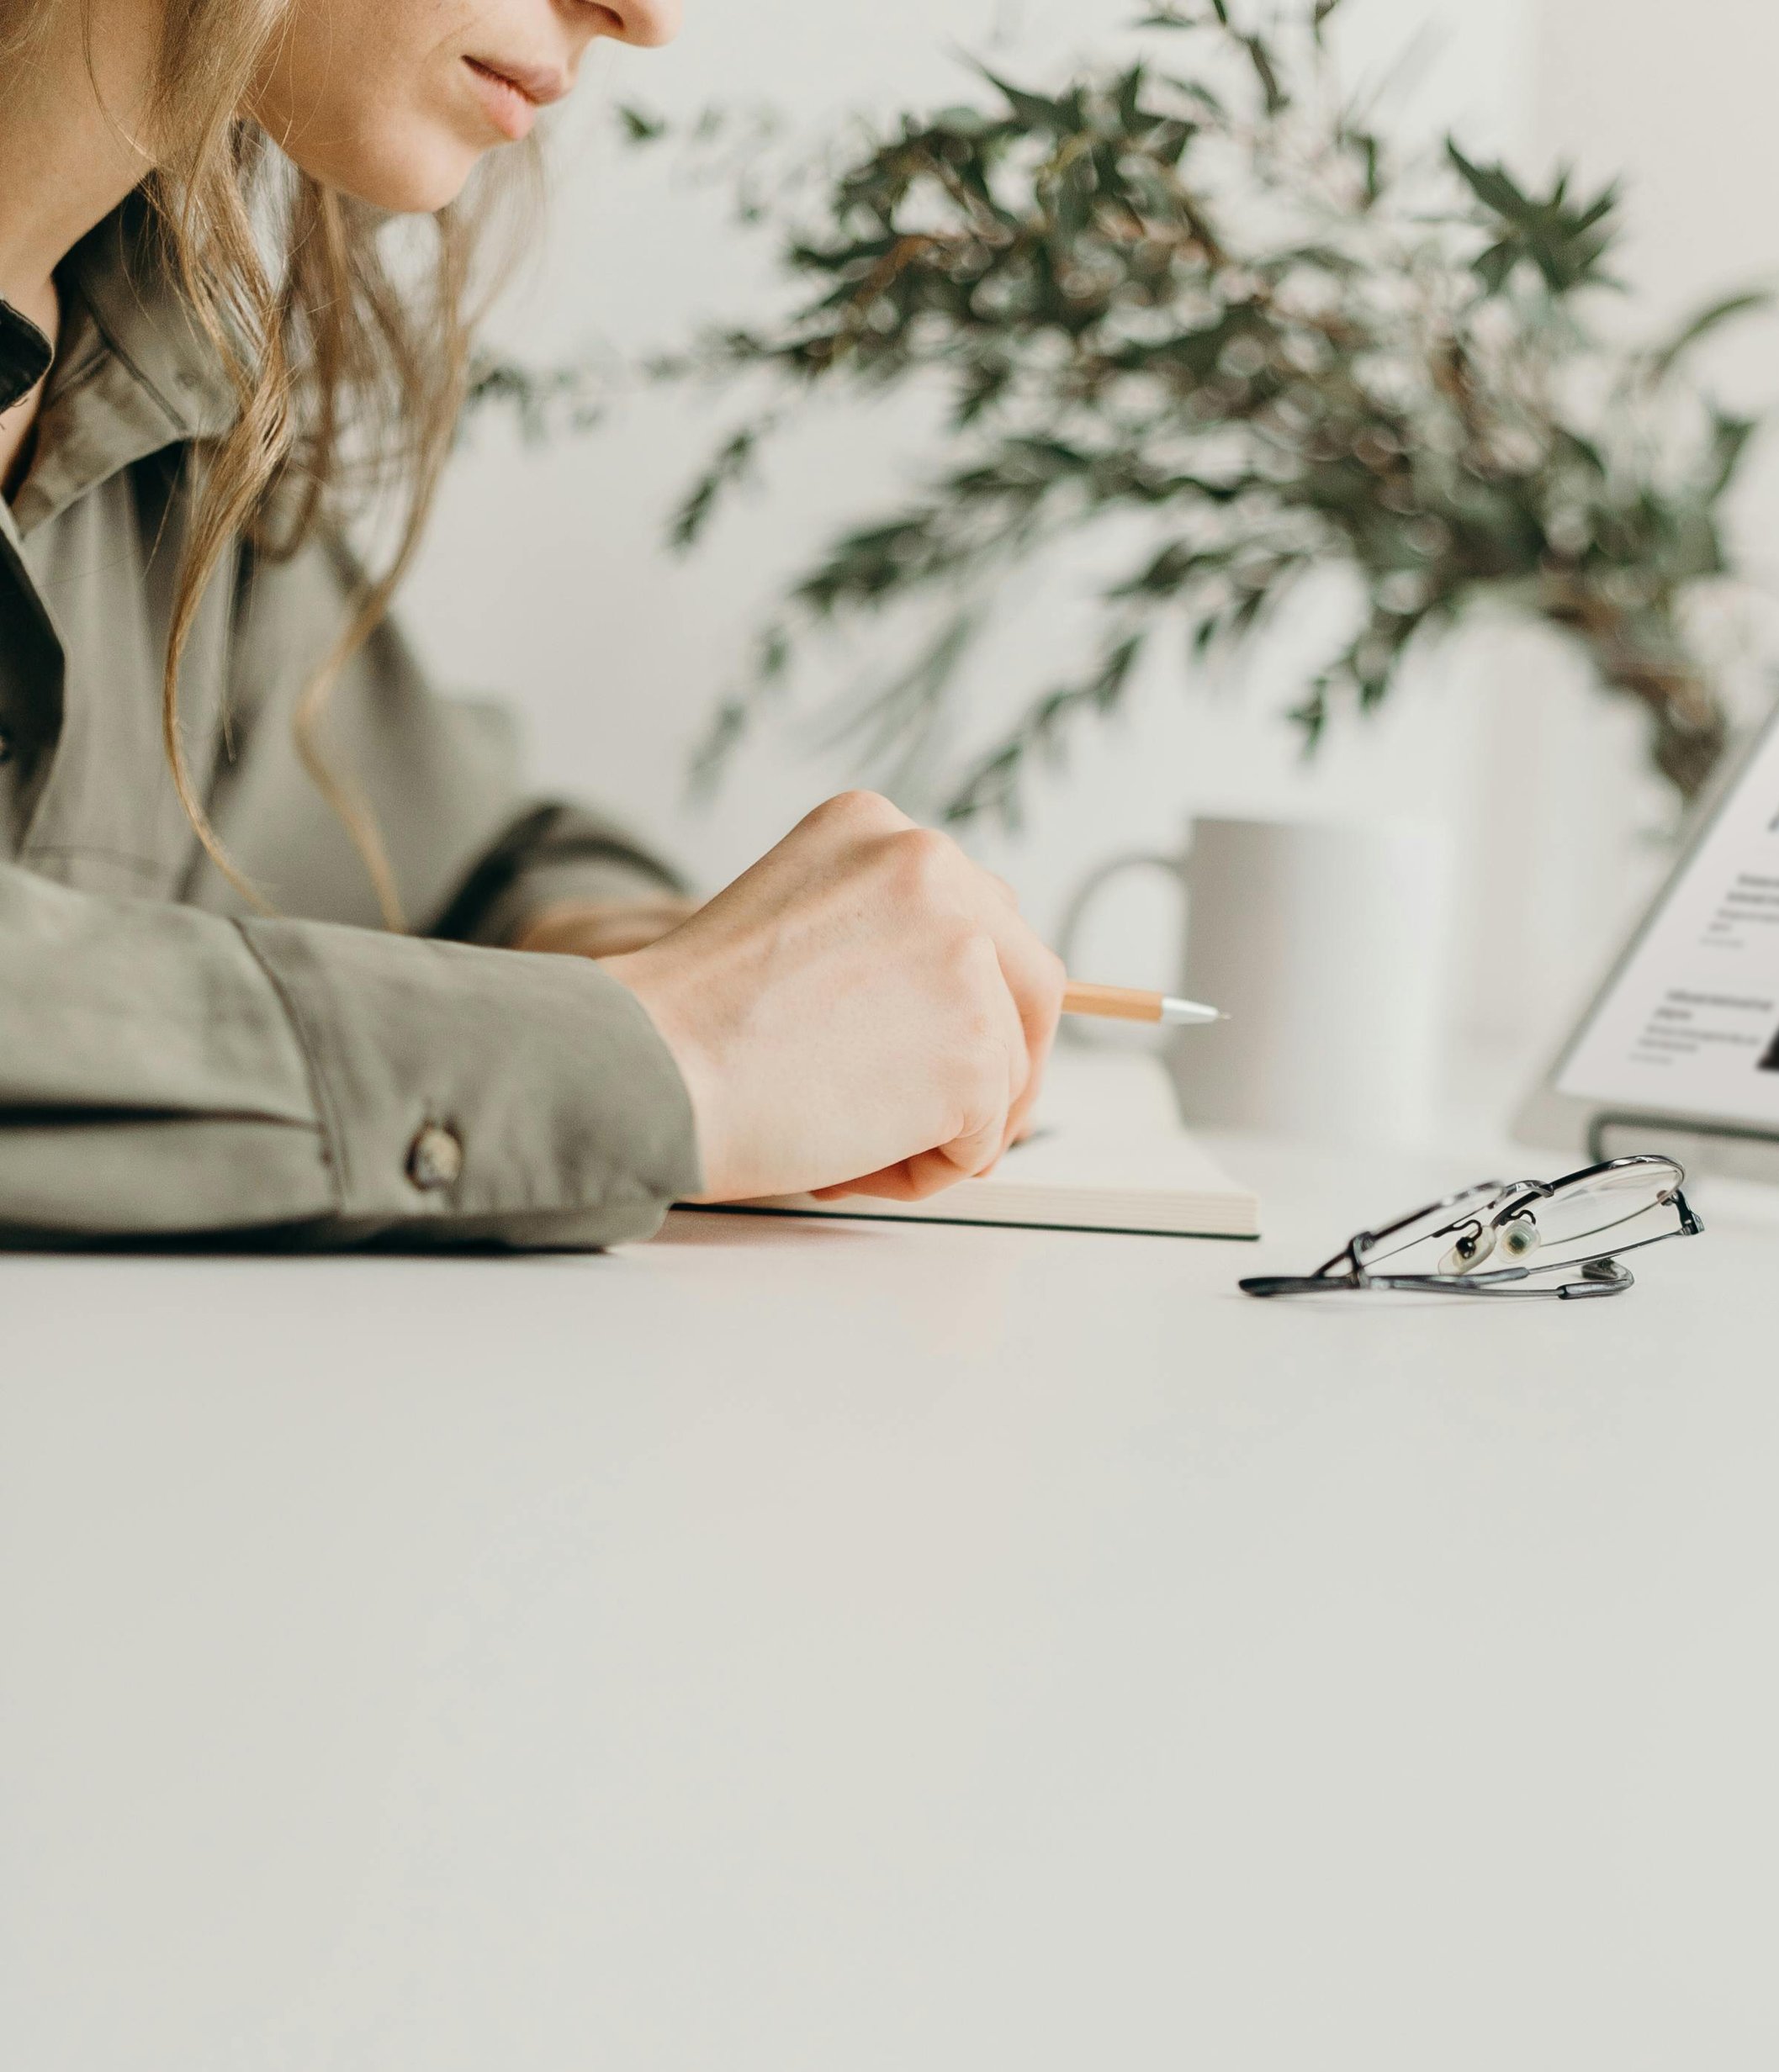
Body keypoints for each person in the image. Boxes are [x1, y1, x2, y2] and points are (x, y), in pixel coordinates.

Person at [0, 0, 1064, 1246]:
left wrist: (670, 961)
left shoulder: (162, 415)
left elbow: (469, 856)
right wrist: (659, 1054)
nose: (648, 17)